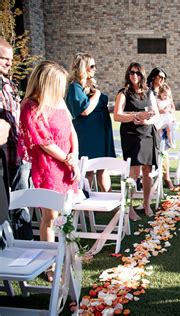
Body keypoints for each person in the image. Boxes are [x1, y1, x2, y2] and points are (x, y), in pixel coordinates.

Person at [18, 61, 80, 281]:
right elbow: (44, 141)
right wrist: (67, 159)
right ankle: (50, 264)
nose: (62, 89)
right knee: (50, 216)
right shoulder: (30, 105)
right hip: (49, 167)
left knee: (67, 213)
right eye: (60, 84)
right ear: (49, 83)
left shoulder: (59, 102)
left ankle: (68, 254)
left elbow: (72, 130)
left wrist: (74, 157)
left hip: (66, 163)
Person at [114, 62, 161, 219]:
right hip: (131, 135)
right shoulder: (123, 93)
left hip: (147, 133)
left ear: (142, 75)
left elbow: (157, 115)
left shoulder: (149, 93)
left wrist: (146, 121)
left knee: (147, 171)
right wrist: (135, 116)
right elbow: (117, 116)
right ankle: (129, 208)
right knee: (134, 172)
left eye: (137, 73)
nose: (134, 75)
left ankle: (146, 204)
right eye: (131, 72)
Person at [66, 53, 116, 192]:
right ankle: (84, 206)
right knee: (88, 170)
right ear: (84, 67)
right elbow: (85, 110)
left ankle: (113, 203)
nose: (95, 69)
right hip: (88, 134)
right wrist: (98, 94)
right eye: (92, 66)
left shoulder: (88, 85)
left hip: (100, 132)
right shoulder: (74, 87)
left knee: (102, 167)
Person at [0, 38, 33, 240]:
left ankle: (26, 243)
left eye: (10, 60)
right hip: (2, 157)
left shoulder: (9, 84)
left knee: (22, 202)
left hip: (18, 155)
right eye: (3, 58)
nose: (8, 63)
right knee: (4, 207)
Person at [146, 67, 177, 189]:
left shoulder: (165, 90)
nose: (163, 80)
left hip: (163, 127)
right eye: (161, 77)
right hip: (150, 125)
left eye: (165, 78)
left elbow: (172, 105)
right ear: (154, 77)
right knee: (148, 155)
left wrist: (170, 114)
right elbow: (148, 108)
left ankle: (167, 178)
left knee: (163, 152)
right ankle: (145, 180)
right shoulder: (148, 91)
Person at [156, 83, 178, 148]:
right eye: (164, 95)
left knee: (169, 129)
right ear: (160, 93)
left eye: (167, 95)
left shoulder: (168, 100)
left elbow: (171, 108)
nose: (166, 97)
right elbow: (157, 109)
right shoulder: (157, 100)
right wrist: (163, 110)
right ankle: (159, 142)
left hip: (167, 117)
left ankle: (170, 142)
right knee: (159, 130)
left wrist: (172, 115)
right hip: (160, 118)